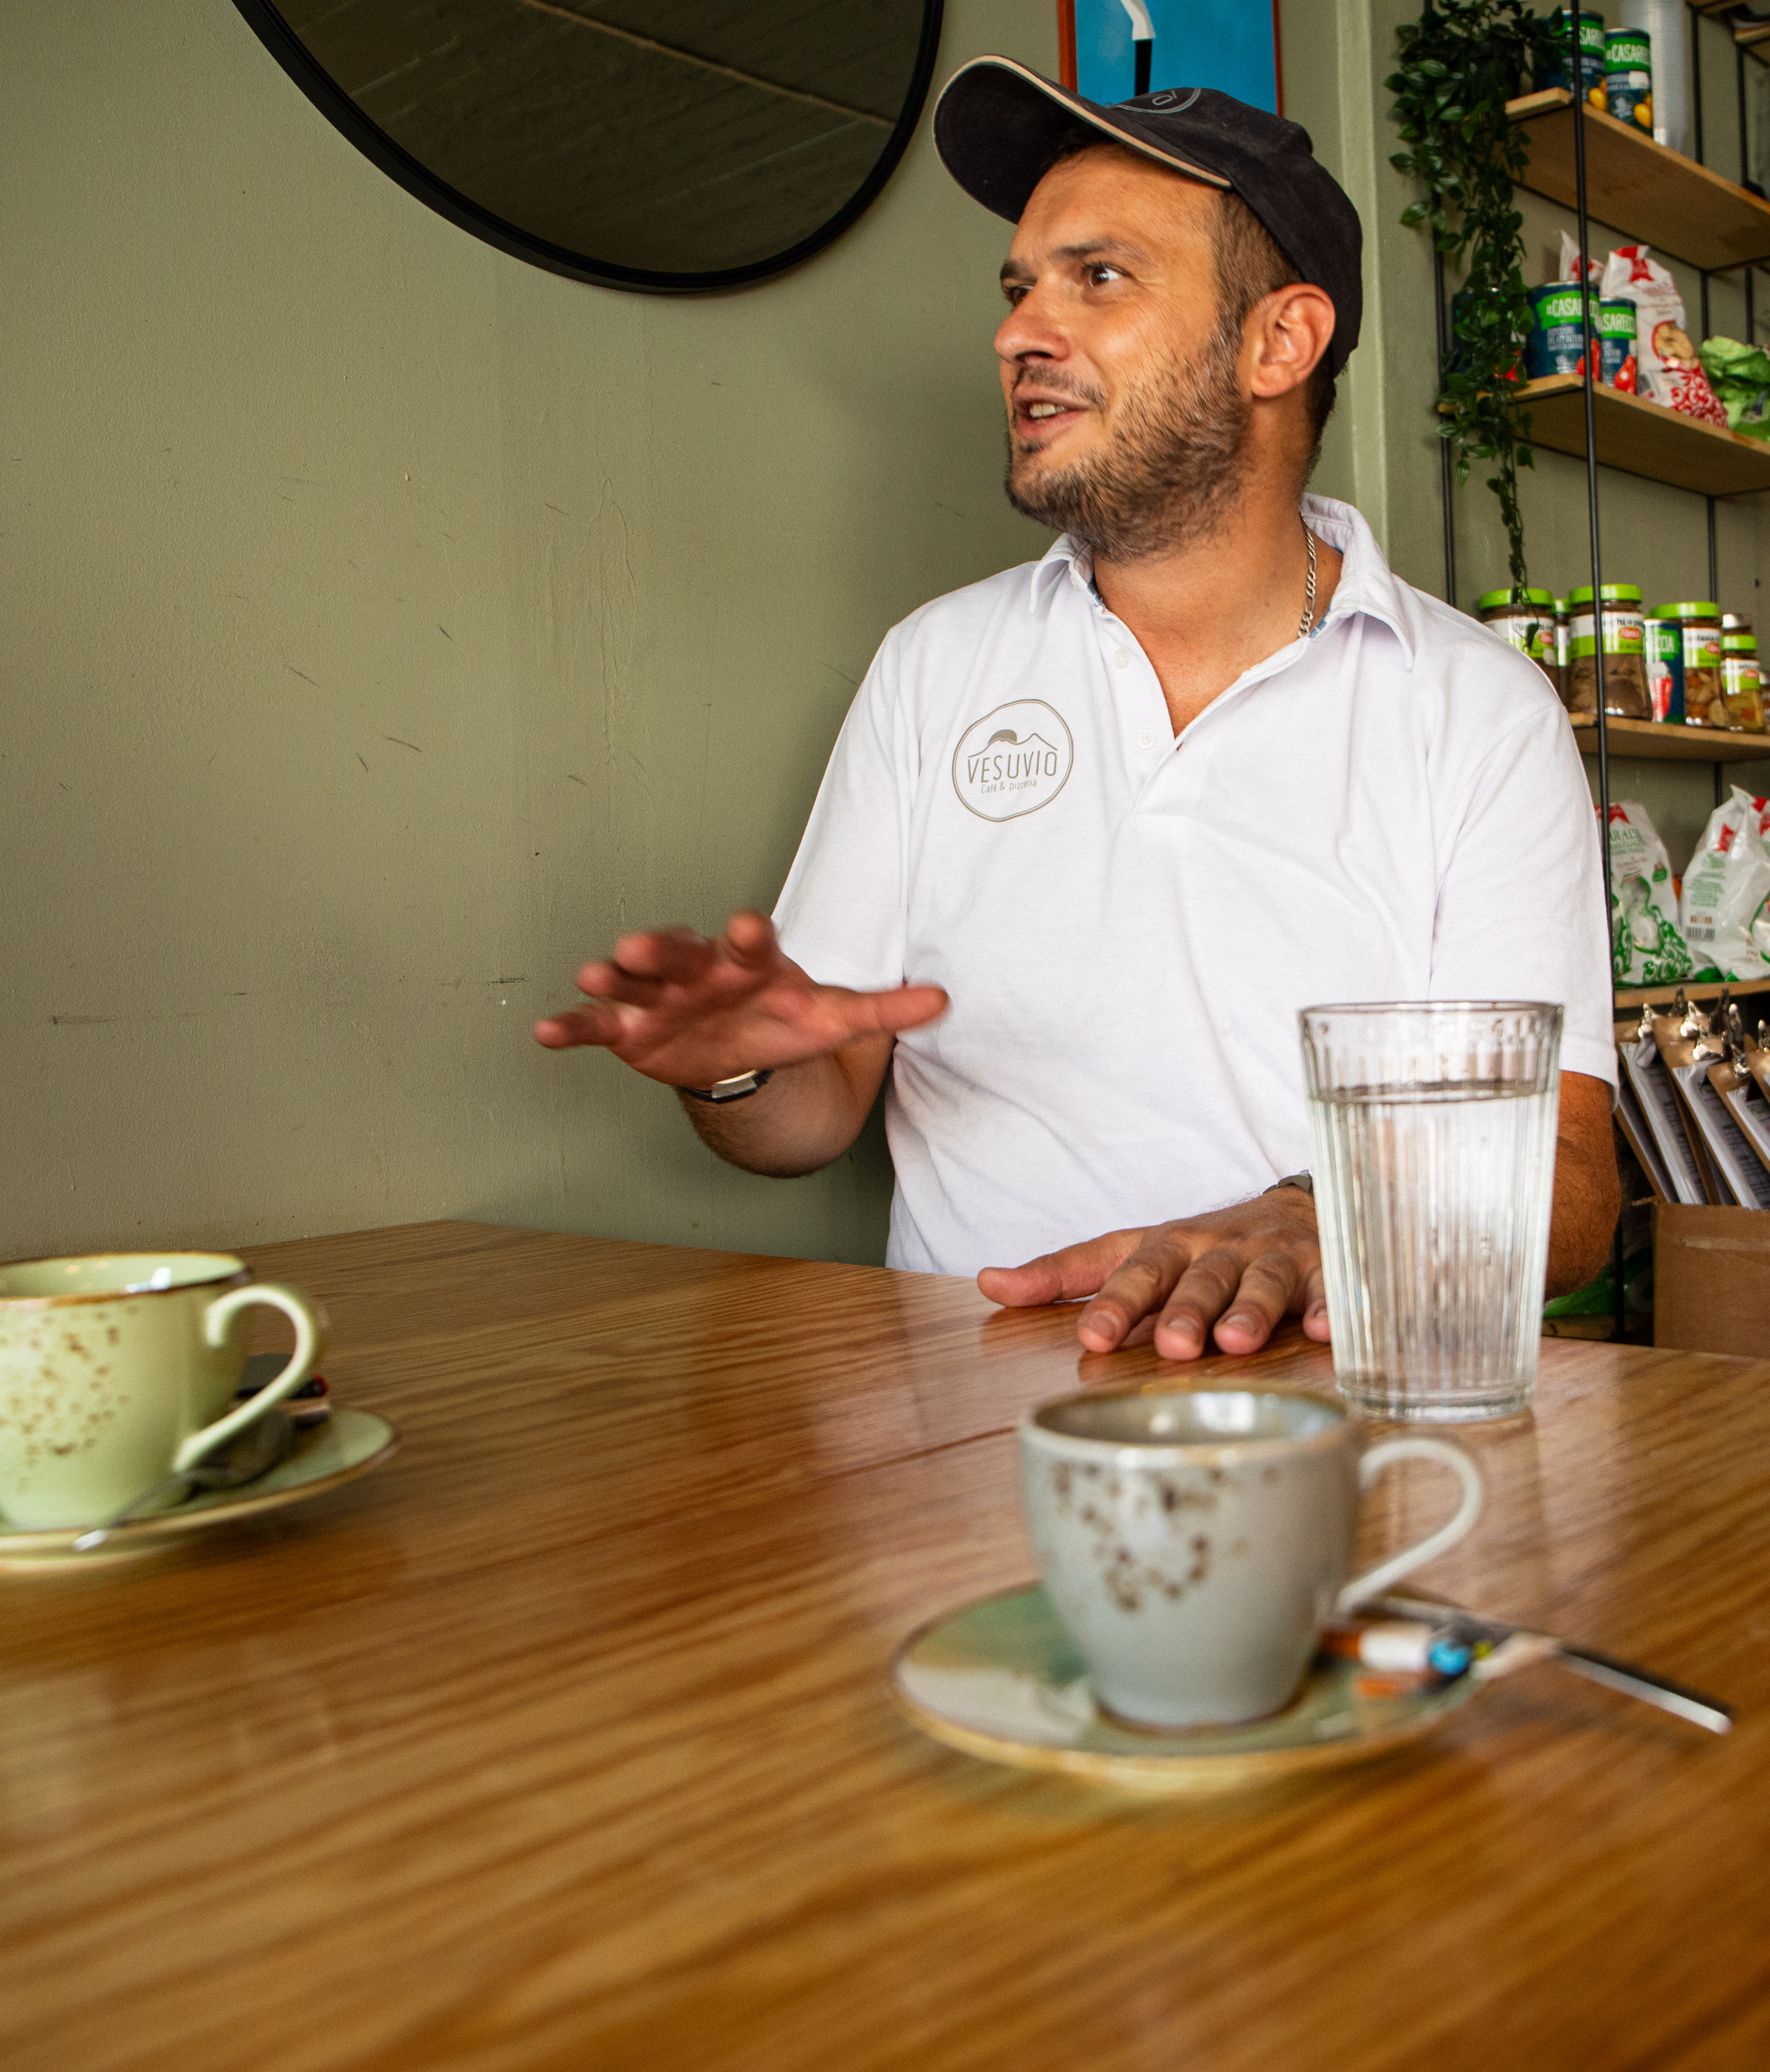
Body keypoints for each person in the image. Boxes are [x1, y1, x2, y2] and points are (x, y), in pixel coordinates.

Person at [538, 59, 1615, 1360]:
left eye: (1096, 279)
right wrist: (732, 1066)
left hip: (1325, 1435)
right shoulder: (935, 666)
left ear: (1281, 341)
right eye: (1019, 288)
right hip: (958, 1445)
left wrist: (1317, 1221)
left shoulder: (1478, 713)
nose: (1017, 333)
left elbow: (1567, 1190)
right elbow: (810, 1117)